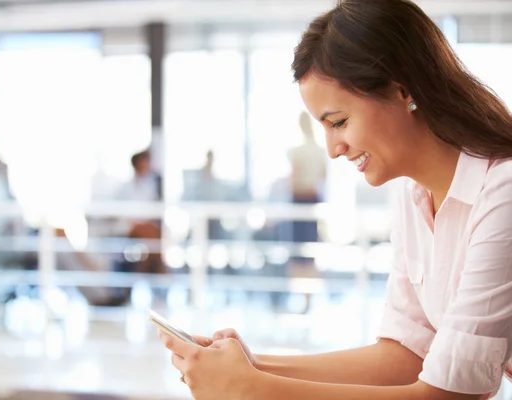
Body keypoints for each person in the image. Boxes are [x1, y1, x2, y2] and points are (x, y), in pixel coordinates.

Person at [158, 1, 512, 399]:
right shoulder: (413, 194)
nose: (333, 149)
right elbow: (406, 355)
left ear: (403, 89)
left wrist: (248, 387)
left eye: (339, 122)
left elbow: (450, 395)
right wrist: (251, 364)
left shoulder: (502, 191)